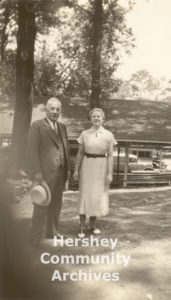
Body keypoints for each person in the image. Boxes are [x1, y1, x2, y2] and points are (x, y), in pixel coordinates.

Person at [27, 97, 70, 246]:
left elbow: (65, 149)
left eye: (58, 109)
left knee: (56, 205)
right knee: (41, 205)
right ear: (46, 109)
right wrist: (37, 172)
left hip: (60, 174)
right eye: (52, 109)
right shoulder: (37, 126)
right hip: (44, 175)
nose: (55, 112)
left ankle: (52, 234)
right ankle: (34, 240)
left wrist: (67, 172)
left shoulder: (62, 127)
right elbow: (32, 151)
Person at [73, 107, 117, 238]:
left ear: (103, 118)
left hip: (101, 168)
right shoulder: (85, 133)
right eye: (94, 116)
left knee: (97, 196)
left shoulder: (109, 135)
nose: (96, 118)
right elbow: (80, 153)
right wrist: (76, 170)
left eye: (99, 116)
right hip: (87, 166)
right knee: (85, 195)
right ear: (90, 119)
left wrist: (110, 174)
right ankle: (81, 227)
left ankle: (92, 225)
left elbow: (110, 156)